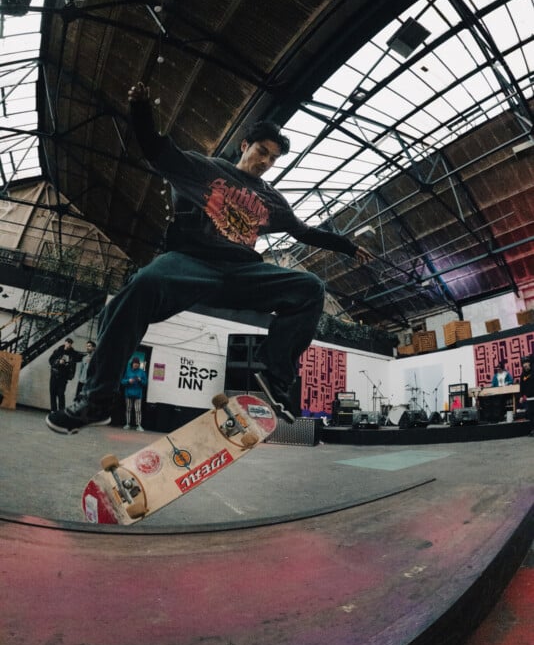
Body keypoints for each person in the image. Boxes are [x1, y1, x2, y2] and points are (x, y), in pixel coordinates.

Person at [45, 81, 372, 435]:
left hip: (242, 271)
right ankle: (96, 399)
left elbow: (304, 233)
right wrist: (140, 109)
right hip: (192, 262)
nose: (265, 162)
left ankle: (276, 377)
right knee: (140, 286)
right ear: (245, 146)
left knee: (309, 287)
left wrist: (347, 246)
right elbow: (155, 149)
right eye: (261, 152)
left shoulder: (273, 200)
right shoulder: (203, 169)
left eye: (273, 159)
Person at [48, 338, 83, 412]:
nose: (69, 345)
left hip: (63, 377)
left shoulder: (73, 354)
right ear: (65, 343)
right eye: (68, 343)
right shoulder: (58, 351)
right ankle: (53, 410)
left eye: (70, 343)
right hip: (54, 375)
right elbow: (50, 360)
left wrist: (90, 355)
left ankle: (61, 411)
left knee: (61, 394)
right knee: (53, 393)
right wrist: (58, 361)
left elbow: (81, 357)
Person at [121, 356, 147, 431]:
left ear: (139, 364)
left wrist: (140, 380)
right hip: (128, 394)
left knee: (138, 410)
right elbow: (122, 381)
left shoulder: (142, 372)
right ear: (132, 363)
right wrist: (128, 381)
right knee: (128, 409)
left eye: (137, 363)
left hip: (138, 395)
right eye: (134, 363)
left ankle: (138, 425)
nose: (136, 364)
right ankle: (127, 424)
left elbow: (145, 383)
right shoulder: (128, 371)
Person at [518, 355, 534, 436]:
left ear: (529, 363)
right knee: (530, 414)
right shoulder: (523, 375)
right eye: (523, 363)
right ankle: (533, 430)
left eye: (526, 363)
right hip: (529, 398)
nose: (525, 365)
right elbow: (521, 386)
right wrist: (521, 396)